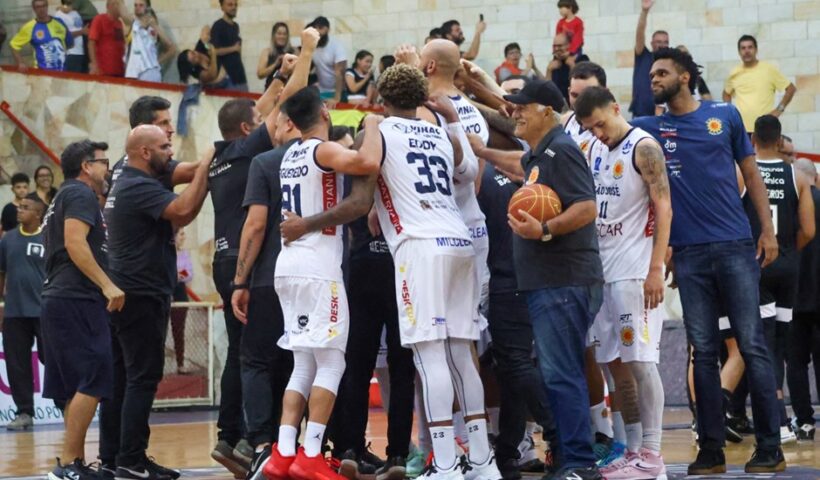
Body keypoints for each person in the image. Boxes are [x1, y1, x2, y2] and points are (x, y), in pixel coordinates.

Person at [280, 64, 501, 480]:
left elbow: (362, 193)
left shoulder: (377, 129)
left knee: (429, 354)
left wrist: (373, 130)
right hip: (460, 243)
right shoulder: (439, 130)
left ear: (382, 98)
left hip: (419, 248)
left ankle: (448, 467)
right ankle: (482, 461)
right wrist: (452, 123)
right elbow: (469, 174)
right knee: (461, 356)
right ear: (421, 97)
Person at [630, 47, 786, 475]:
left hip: (736, 246)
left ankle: (770, 447)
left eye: (661, 73)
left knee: (752, 345)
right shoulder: (648, 128)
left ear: (684, 77)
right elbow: (598, 124)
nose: (653, 80)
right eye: (651, 74)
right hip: (689, 255)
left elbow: (751, 175)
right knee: (702, 352)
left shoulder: (726, 116)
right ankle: (711, 451)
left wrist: (767, 232)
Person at [472, 79, 603, 480]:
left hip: (563, 281)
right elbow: (515, 164)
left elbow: (585, 207)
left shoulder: (561, 150)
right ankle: (567, 458)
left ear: (547, 110)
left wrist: (544, 231)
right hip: (547, 282)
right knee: (554, 372)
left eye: (522, 106)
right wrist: (477, 150)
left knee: (562, 373)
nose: (515, 112)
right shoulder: (539, 154)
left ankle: (580, 461)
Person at [208, 29, 317, 479]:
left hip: (223, 257)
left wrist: (276, 71)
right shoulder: (250, 149)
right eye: (259, 116)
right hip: (245, 259)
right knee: (259, 355)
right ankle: (257, 439)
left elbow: (273, 97)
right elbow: (290, 104)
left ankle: (229, 436)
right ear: (247, 129)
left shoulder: (219, 156)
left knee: (241, 353)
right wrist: (308, 51)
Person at [260, 85, 376, 480]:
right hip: (316, 267)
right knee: (331, 361)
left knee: (303, 363)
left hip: (288, 264)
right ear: (324, 112)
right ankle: (310, 456)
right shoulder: (318, 148)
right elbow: (363, 160)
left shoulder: (290, 153)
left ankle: (284, 452)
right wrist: (372, 123)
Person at [100, 125, 210, 480]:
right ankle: (130, 460)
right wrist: (209, 166)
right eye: (164, 146)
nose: (170, 149)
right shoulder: (138, 185)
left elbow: (183, 180)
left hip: (127, 292)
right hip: (141, 294)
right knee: (142, 378)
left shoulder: (126, 180)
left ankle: (114, 457)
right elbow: (183, 210)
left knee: (122, 379)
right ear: (145, 153)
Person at [574, 86, 672, 479]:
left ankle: (653, 456)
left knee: (643, 362)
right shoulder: (596, 148)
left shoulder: (643, 146)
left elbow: (664, 206)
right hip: (604, 270)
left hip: (635, 270)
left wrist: (654, 269)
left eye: (600, 123)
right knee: (618, 365)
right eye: (590, 128)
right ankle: (632, 450)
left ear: (616, 108)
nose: (598, 132)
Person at [40, 140, 124, 480]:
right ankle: (70, 464)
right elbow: (75, 242)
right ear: (87, 166)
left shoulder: (62, 197)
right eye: (103, 162)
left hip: (59, 299)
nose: (108, 169)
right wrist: (107, 284)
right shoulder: (79, 194)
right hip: (76, 298)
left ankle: (72, 465)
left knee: (74, 384)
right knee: (95, 375)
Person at [230, 111, 302, 480]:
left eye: (274, 123)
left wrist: (239, 281)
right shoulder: (330, 156)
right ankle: (296, 446)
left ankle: (261, 446)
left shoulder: (266, 162)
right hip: (315, 279)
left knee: (256, 361)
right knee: (300, 364)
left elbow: (256, 225)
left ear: (288, 122)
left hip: (270, 278)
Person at [743, 114, 815, 440]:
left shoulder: (744, 173)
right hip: (787, 267)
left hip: (756, 267)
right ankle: (782, 420)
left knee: (763, 344)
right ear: (779, 138)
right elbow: (809, 231)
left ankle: (775, 421)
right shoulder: (798, 175)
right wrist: (787, 250)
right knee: (781, 345)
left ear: (753, 139)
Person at [1, 197, 47, 431]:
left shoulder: (49, 237)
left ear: (38, 214)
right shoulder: (7, 239)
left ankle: (65, 403)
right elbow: (1, 273)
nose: (20, 211)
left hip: (44, 310)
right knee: (17, 363)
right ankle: (24, 412)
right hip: (14, 312)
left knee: (52, 358)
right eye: (19, 207)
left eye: (25, 208)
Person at [787, 157, 820, 441]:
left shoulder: (789, 205)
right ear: (817, 179)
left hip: (794, 296)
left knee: (795, 363)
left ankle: (805, 422)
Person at [723, 35, 797, 134]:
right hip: (742, 130)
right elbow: (726, 93)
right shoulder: (734, 73)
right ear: (739, 52)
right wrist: (730, 113)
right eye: (743, 48)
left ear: (756, 50)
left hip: (765, 128)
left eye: (750, 47)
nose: (747, 51)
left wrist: (778, 110)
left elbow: (791, 89)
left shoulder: (768, 69)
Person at [11, 0, 73, 72]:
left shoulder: (59, 22)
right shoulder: (29, 27)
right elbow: (14, 45)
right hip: (42, 74)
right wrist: (20, 63)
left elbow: (69, 43)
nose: (41, 9)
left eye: (44, 6)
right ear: (34, 9)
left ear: (47, 7)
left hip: (62, 72)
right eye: (38, 7)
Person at [122, 0, 177, 82]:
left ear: (147, 8)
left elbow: (172, 48)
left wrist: (157, 62)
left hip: (149, 71)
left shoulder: (154, 26)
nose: (137, 8)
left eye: (141, 5)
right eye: (135, 5)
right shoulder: (131, 23)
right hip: (132, 72)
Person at [631, 0, 668, 118]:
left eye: (665, 42)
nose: (662, 45)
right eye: (658, 42)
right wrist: (644, 11)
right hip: (641, 114)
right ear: (652, 43)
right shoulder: (643, 56)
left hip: (663, 115)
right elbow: (639, 33)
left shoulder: (670, 62)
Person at [308, 16, 346, 107]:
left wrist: (337, 97)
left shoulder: (336, 46)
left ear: (328, 29)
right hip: (322, 92)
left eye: (320, 28)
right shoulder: (313, 47)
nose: (318, 32)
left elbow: (340, 72)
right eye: (315, 28)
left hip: (338, 92)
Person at [170, 228, 193, 375]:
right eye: (181, 234)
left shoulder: (184, 254)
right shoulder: (166, 253)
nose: (183, 237)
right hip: (165, 294)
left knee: (179, 331)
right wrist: (177, 274)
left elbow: (189, 274)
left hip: (179, 294)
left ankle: (180, 363)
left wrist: (174, 274)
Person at [210, 0, 247, 91]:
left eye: (235, 5)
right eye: (230, 5)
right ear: (222, 7)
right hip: (227, 79)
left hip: (239, 76)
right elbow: (215, 51)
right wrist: (233, 48)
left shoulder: (235, 26)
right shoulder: (218, 26)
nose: (234, 7)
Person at [548, 33, 589, 104]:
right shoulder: (554, 63)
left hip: (578, 104)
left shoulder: (582, 59)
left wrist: (572, 66)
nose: (557, 49)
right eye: (554, 46)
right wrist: (549, 70)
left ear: (569, 45)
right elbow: (547, 89)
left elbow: (583, 84)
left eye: (560, 46)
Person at [88, 0, 126, 76]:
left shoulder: (119, 23)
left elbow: (122, 44)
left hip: (119, 70)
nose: (120, 8)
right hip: (103, 70)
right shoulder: (99, 19)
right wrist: (94, 65)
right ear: (108, 6)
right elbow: (91, 43)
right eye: (117, 4)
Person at [257, 22, 295, 89]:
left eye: (284, 34)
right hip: (271, 90)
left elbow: (299, 72)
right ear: (274, 35)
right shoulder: (267, 52)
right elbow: (260, 74)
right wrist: (275, 64)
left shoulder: (294, 51)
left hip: (288, 90)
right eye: (279, 33)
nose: (282, 36)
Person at [54, 0, 88, 73]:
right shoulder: (58, 15)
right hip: (71, 53)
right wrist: (81, 32)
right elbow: (62, 35)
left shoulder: (75, 12)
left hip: (81, 52)